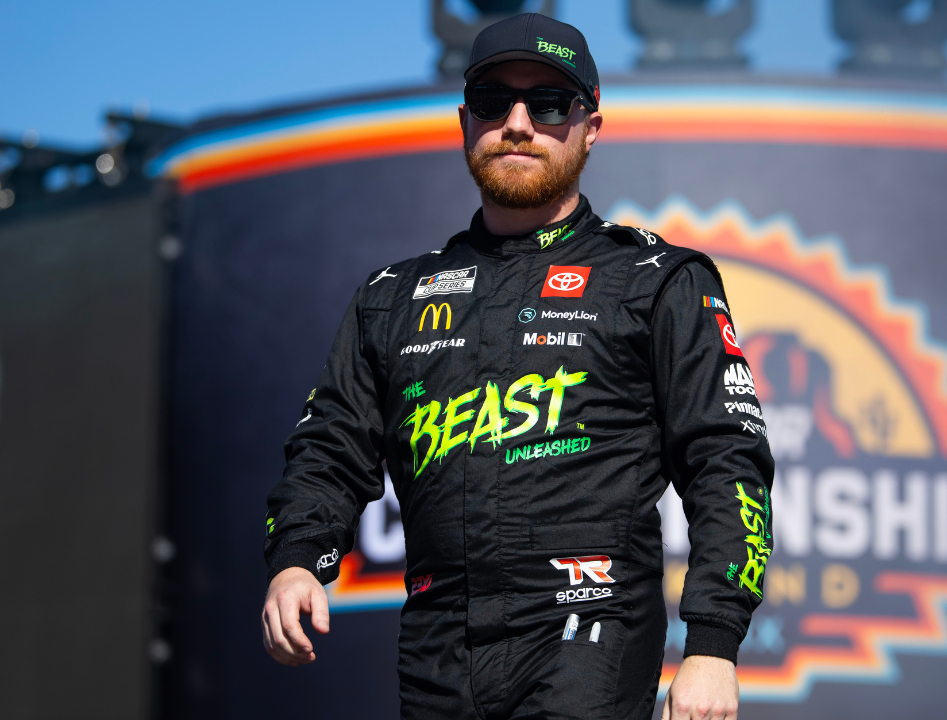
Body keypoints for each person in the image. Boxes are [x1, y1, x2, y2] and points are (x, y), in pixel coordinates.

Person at [260, 13, 773, 720]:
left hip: (591, 635)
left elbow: (728, 463)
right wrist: (297, 559)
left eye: (550, 103)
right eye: (495, 101)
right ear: (465, 121)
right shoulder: (393, 297)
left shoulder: (657, 279)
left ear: (591, 124)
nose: (520, 123)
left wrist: (713, 646)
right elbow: (329, 449)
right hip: (437, 652)